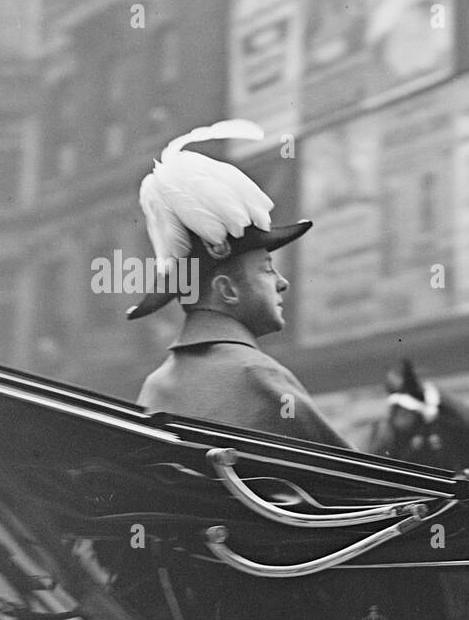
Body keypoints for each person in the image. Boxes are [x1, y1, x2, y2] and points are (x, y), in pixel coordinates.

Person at [130, 120, 351, 448]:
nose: (282, 282)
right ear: (226, 290)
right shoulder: (256, 376)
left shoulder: (155, 386)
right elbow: (370, 485)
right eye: (266, 269)